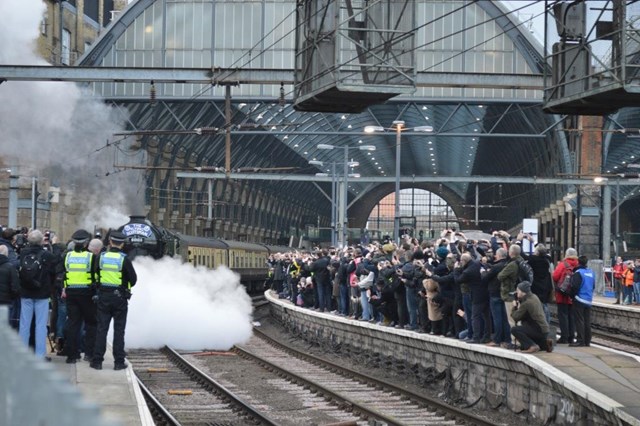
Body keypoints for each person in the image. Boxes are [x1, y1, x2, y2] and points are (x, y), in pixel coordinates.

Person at [92, 231, 137, 371]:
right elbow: (133, 279)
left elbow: (95, 274)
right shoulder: (124, 259)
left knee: (101, 329)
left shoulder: (101, 257)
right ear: (122, 244)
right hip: (119, 298)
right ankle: (118, 362)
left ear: (110, 242)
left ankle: (97, 361)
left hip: (103, 297)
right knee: (119, 331)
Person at [18, 230, 57, 361]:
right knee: (40, 325)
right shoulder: (47, 255)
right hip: (42, 293)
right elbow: (53, 273)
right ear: (42, 241)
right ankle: (40, 355)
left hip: (25, 292)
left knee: (24, 324)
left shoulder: (23, 253)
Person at [63, 230, 98, 364]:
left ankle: (72, 355)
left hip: (71, 293)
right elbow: (95, 275)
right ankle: (89, 353)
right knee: (91, 324)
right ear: (85, 243)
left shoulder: (67, 256)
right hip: (87, 294)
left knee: (73, 324)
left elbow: (65, 273)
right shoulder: (91, 257)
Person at [510, 281, 553, 353]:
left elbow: (516, 317)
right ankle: (545, 344)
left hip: (537, 329)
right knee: (524, 344)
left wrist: (514, 307)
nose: (516, 292)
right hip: (544, 330)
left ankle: (532, 346)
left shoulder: (527, 303)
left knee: (514, 330)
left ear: (523, 292)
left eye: (518, 290)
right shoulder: (534, 297)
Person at [552, 248, 578, 344]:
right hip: (573, 296)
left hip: (562, 295)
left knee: (563, 316)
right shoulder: (578, 265)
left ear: (566, 255)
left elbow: (555, 276)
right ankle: (571, 337)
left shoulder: (563, 264)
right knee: (572, 316)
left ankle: (564, 337)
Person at [570, 256, 594, 347]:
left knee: (579, 320)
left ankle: (580, 340)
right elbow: (593, 285)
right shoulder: (591, 272)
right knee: (587, 321)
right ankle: (587, 340)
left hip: (579, 299)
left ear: (578, 263)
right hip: (588, 300)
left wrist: (572, 296)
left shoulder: (578, 273)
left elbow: (574, 287)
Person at [0, 244, 20, 325]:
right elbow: (15, 287)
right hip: (6, 301)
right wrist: (12, 297)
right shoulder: (10, 267)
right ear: (7, 254)